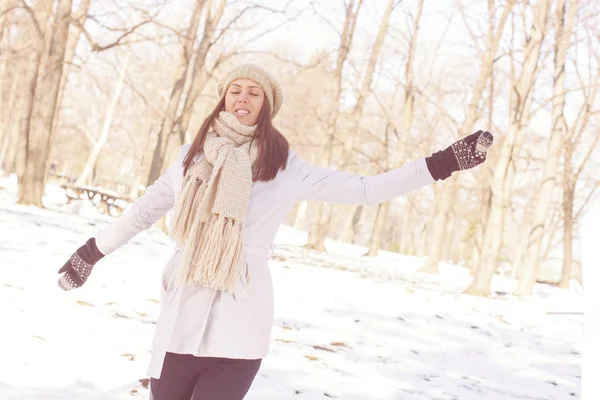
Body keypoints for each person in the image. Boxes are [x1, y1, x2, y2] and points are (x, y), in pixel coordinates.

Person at [57, 63, 494, 400]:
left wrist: (443, 163)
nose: (243, 97)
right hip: (179, 319)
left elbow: (366, 190)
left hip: (239, 325)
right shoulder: (188, 159)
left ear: (266, 106)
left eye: (254, 92)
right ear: (223, 99)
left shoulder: (285, 168)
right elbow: (140, 214)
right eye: (235, 89)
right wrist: (90, 252)